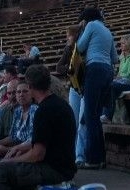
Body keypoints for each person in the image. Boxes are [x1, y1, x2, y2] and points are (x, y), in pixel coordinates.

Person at [0, 65, 76, 190]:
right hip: (64, 166)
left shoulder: (43, 111)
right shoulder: (61, 105)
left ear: (30, 86)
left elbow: (37, 154)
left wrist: (12, 160)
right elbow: (46, 141)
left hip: (54, 170)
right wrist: (17, 148)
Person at [75, 6, 118, 169]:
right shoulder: (107, 30)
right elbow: (114, 58)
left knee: (90, 116)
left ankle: (93, 159)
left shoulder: (91, 26)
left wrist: (81, 30)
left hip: (94, 69)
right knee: (95, 116)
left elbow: (79, 47)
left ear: (86, 19)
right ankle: (100, 157)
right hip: (108, 72)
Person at [55, 24, 87, 166]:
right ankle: (74, 153)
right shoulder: (68, 49)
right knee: (74, 121)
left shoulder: (83, 47)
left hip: (85, 87)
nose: (66, 38)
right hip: (74, 87)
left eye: (68, 35)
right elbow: (59, 67)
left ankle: (80, 155)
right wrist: (69, 69)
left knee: (82, 122)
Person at [100, 36, 130, 123]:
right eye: (121, 43)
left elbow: (129, 75)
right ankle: (104, 115)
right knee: (106, 85)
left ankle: (107, 116)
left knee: (112, 86)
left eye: (123, 43)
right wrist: (117, 78)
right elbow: (120, 74)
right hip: (123, 82)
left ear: (129, 45)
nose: (121, 45)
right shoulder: (122, 57)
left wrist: (119, 77)